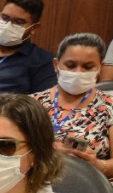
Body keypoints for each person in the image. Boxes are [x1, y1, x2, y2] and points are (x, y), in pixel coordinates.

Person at [32, 33, 113, 179]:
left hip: (90, 186)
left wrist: (97, 165)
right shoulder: (32, 104)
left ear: (100, 67)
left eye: (88, 67)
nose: (78, 72)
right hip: (36, 181)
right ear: (56, 65)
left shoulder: (110, 106)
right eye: (71, 65)